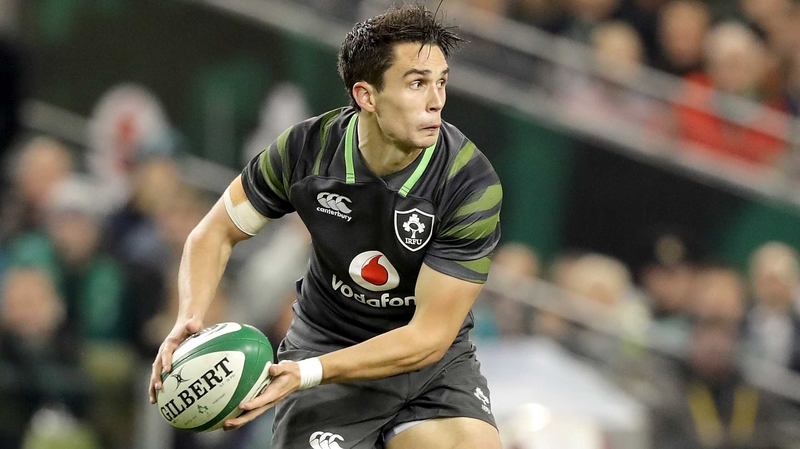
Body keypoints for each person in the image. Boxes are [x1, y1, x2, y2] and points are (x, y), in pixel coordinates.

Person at [148, 4, 503, 449]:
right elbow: (214, 232)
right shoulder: (305, 151)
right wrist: (190, 318)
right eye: (416, 83)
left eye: (441, 82)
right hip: (326, 343)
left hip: (427, 368)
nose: (436, 101)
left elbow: (428, 338)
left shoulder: (469, 182)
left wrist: (307, 373)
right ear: (366, 95)